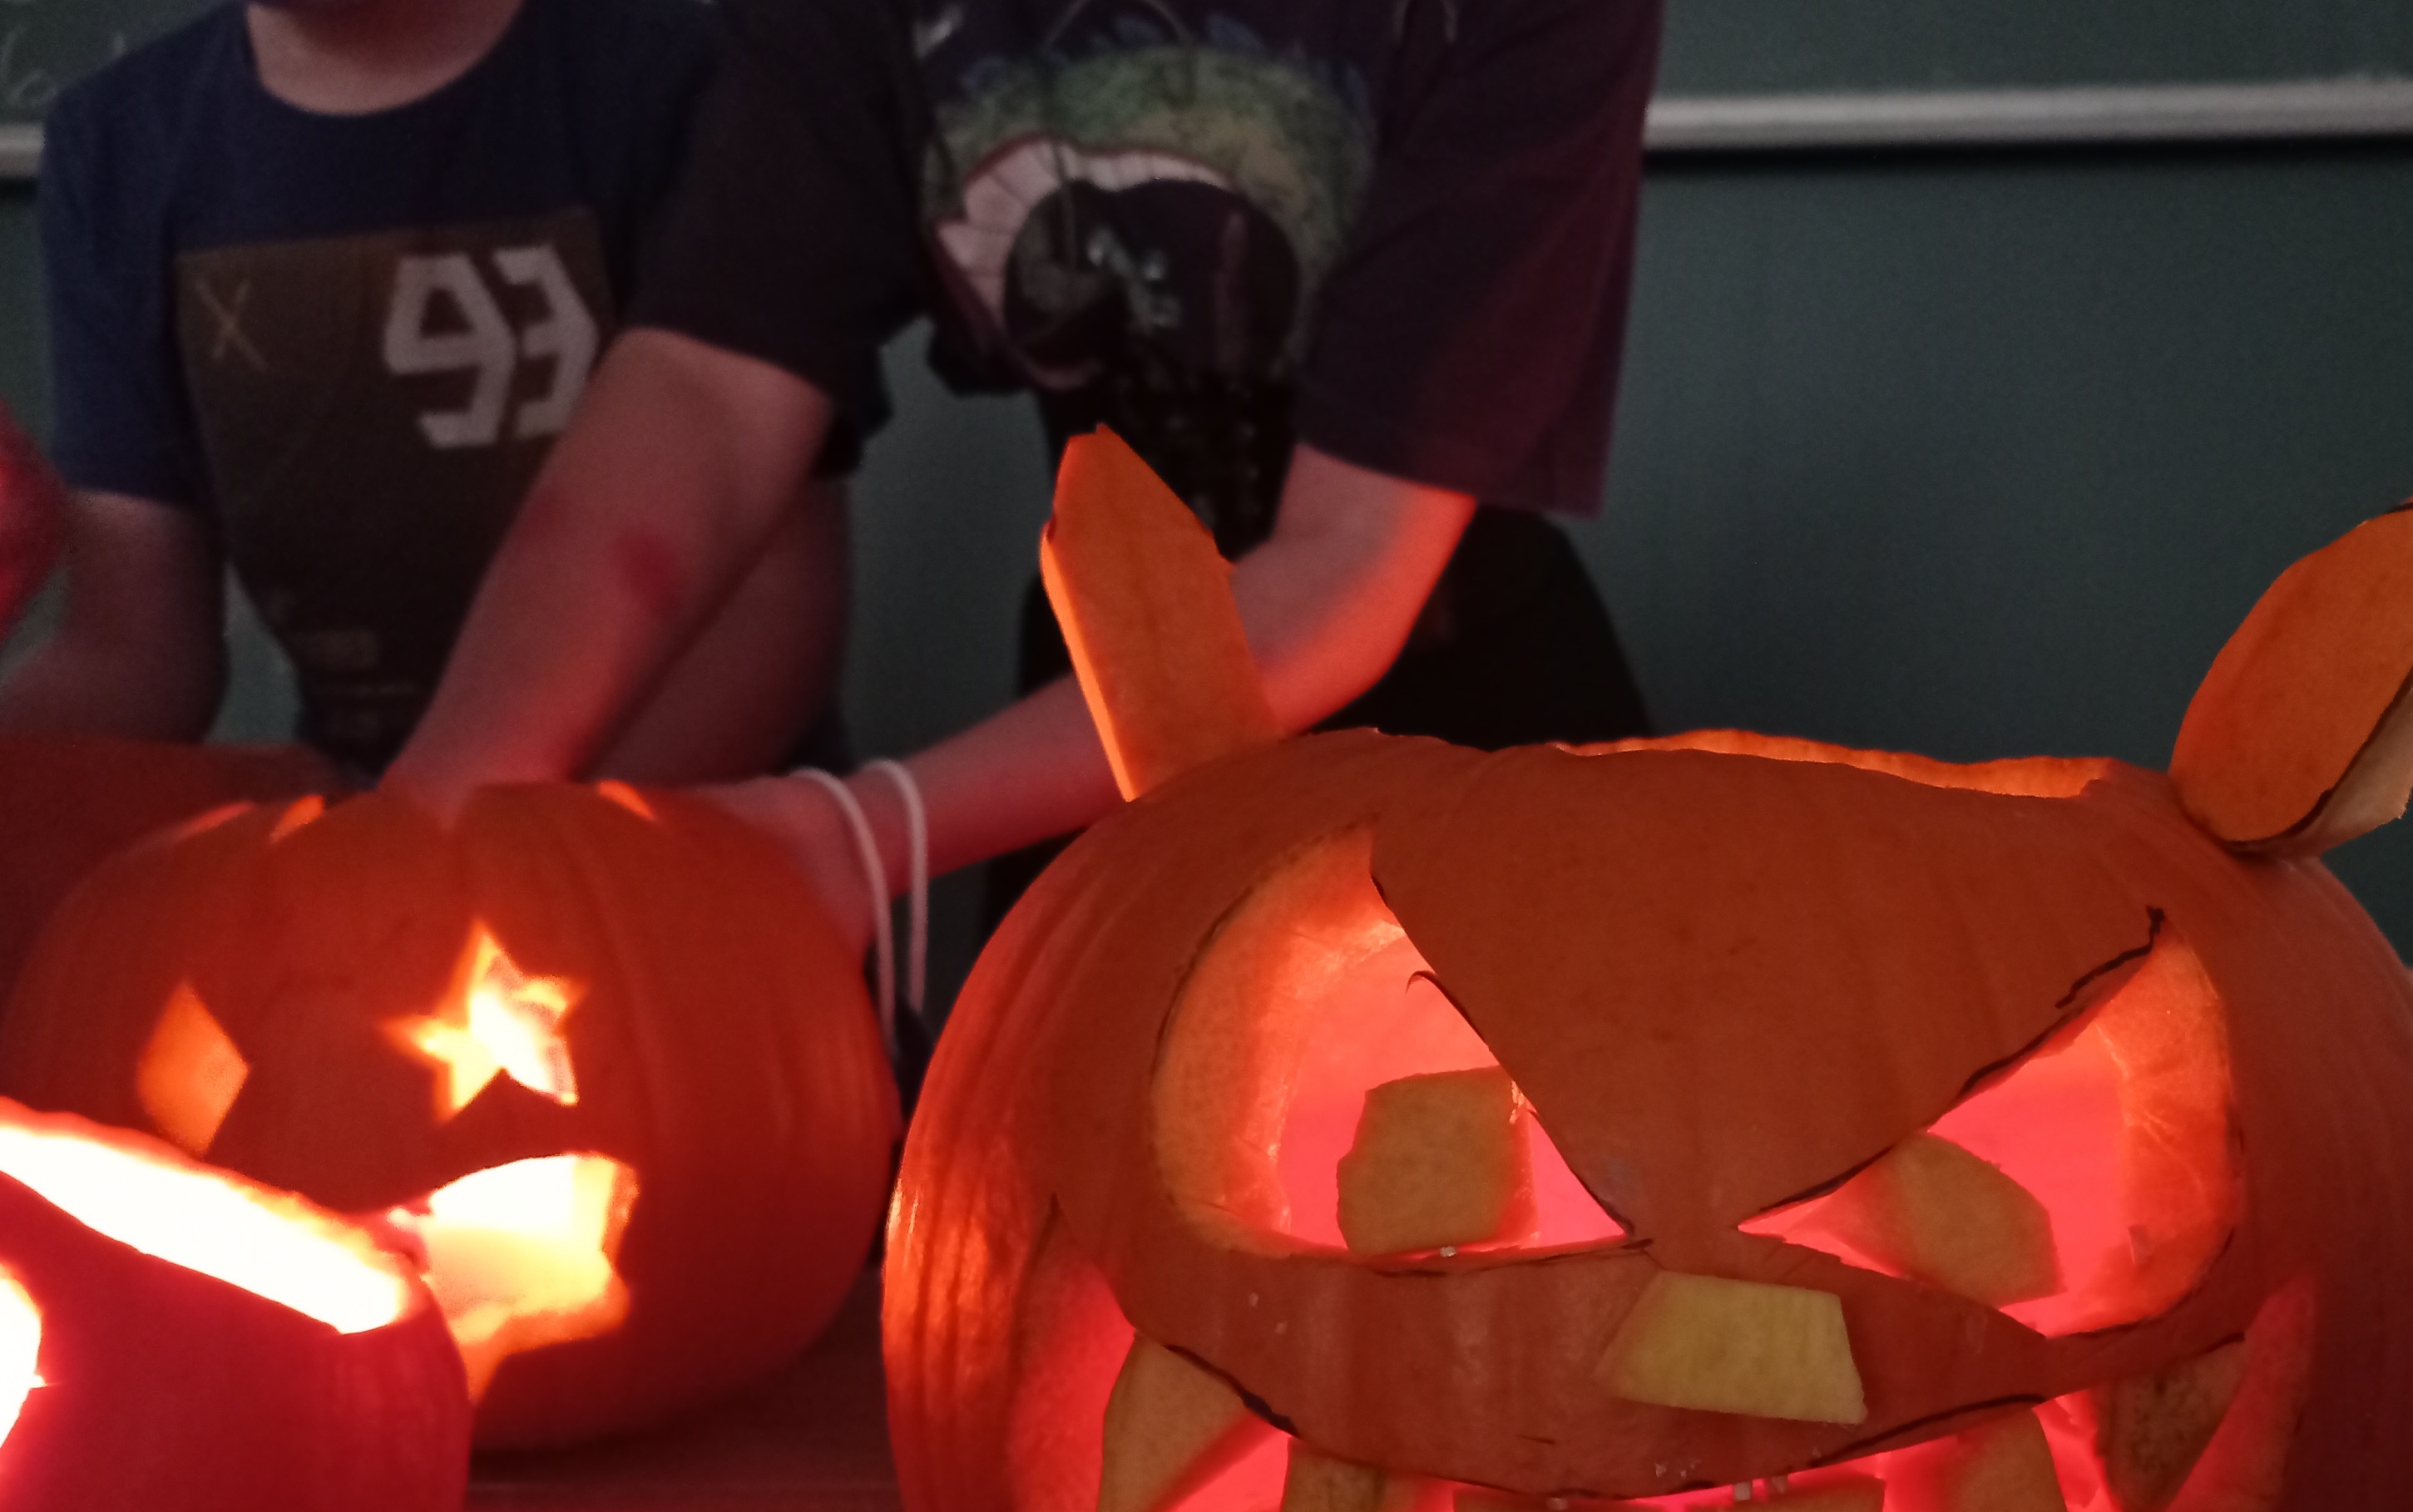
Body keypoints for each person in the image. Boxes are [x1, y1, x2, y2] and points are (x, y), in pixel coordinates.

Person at [386, 0, 1663, 951]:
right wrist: (435, 818)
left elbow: (1348, 558)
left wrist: (876, 828)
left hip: (1461, 741)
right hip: (1083, 718)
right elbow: (710, 384)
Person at [0, 0, 847, 784]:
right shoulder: (113, 149)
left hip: (681, 828)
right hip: (363, 835)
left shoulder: (686, 82)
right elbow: (132, 652)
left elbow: (772, 610)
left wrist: (517, 841)